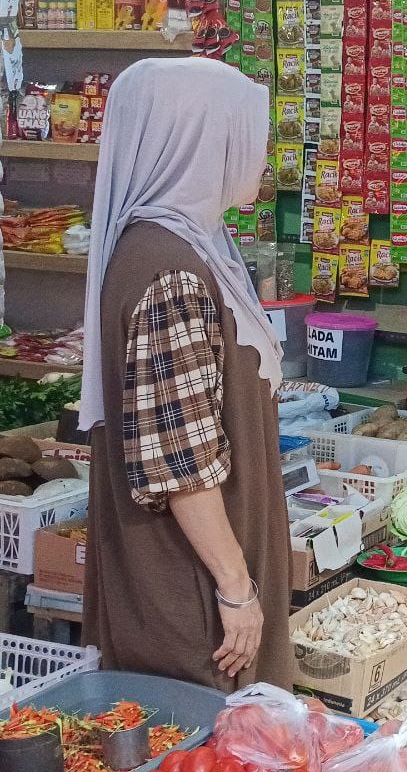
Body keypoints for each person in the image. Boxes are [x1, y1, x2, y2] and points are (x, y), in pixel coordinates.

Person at [79, 58, 291, 690]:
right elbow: (181, 465)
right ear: (199, 140)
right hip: (194, 602)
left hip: (191, 585)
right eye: (246, 134)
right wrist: (235, 588)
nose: (260, 155)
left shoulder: (181, 248)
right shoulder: (169, 273)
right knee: (204, 732)